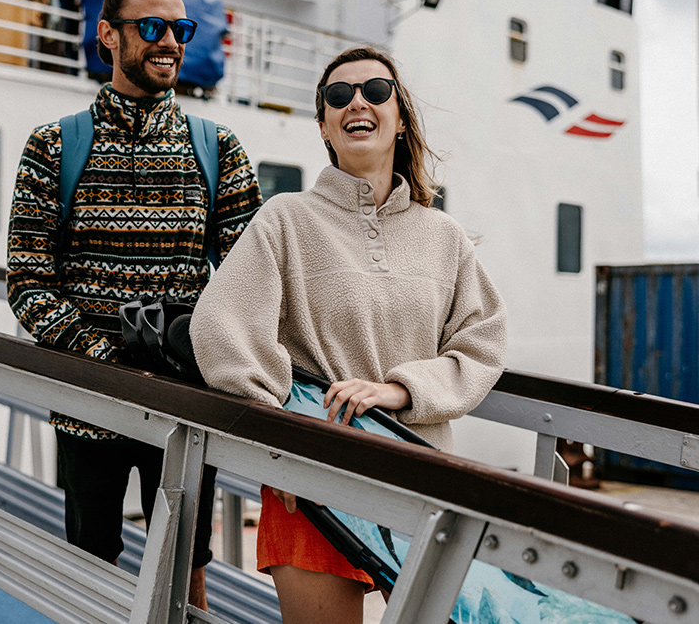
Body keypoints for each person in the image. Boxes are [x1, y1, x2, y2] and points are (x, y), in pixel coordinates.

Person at [190, 46, 506, 624]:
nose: (357, 102)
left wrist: (402, 388)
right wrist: (281, 438)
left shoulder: (444, 236)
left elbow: (481, 343)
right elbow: (220, 327)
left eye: (376, 91)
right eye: (339, 96)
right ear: (325, 127)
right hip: (313, 477)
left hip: (419, 473)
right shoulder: (285, 219)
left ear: (400, 118)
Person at [6, 0, 262, 609]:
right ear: (108, 37)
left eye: (180, 29)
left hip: (187, 399)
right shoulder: (54, 146)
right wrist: (108, 363)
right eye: (150, 27)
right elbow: (29, 282)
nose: (168, 41)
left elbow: (250, 282)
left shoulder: (218, 149)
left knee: (187, 563)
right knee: (88, 562)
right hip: (90, 397)